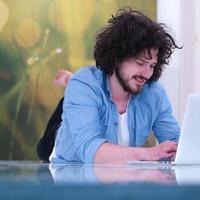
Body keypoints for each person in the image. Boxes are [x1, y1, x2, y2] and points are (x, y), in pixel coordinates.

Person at [44, 7, 181, 164]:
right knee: (46, 144)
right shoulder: (85, 84)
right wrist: (150, 153)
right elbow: (92, 151)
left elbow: (176, 144)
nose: (147, 73)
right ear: (117, 57)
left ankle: (71, 83)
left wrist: (178, 153)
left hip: (115, 177)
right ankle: (71, 83)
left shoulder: (154, 92)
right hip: (67, 157)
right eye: (140, 63)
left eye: (152, 65)